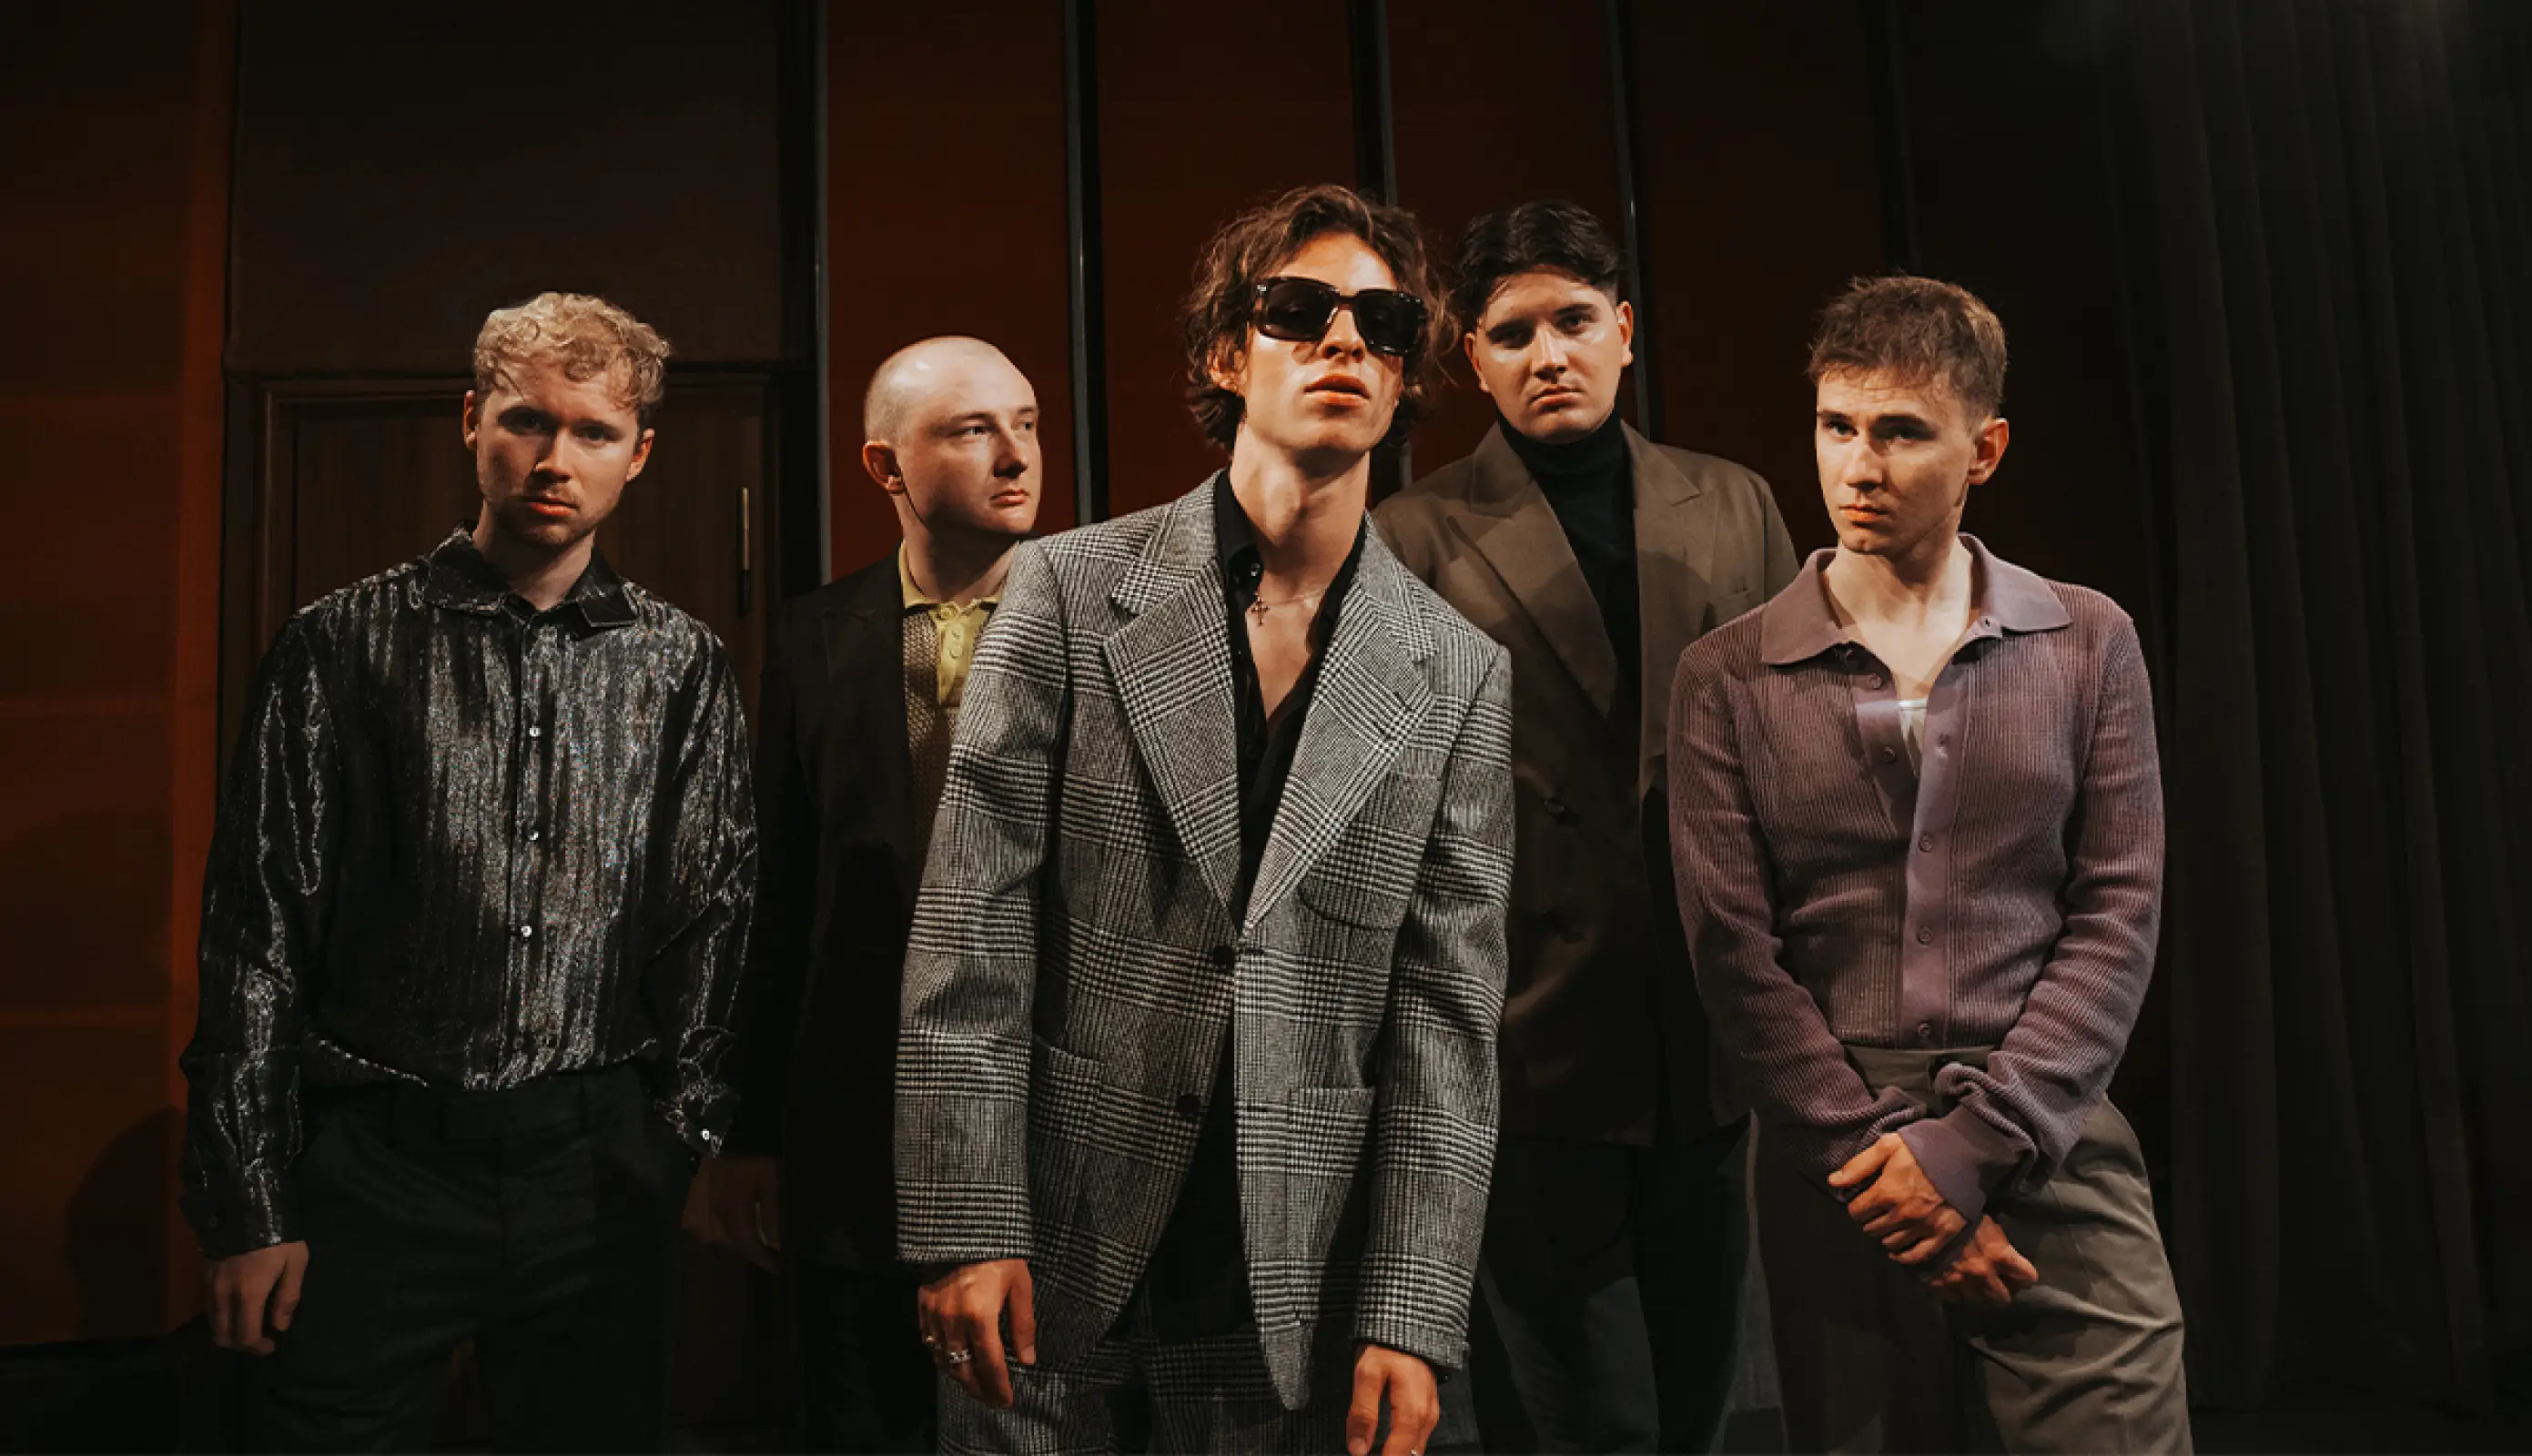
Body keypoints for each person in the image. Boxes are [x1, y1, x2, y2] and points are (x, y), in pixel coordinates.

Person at [894, 183, 1514, 1456]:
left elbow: (1445, 1020)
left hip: (1292, 1293)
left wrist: (1411, 1311)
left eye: (1383, 324)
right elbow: (971, 928)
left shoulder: (1456, 672)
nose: (1344, 341)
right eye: (1300, 309)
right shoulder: (1067, 590)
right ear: (1228, 353)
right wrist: (966, 1219)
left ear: (1407, 376)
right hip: (1055, 1258)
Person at [179, 291, 756, 1451]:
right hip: (376, 1159)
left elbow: (714, 912)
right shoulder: (340, 641)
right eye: (526, 420)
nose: (555, 458)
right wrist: (249, 1202)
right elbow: (257, 931)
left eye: (592, 431)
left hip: (594, 1165)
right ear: (471, 422)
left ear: (639, 454)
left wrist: (675, 1138)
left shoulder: (681, 663)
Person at [1667, 275, 2189, 1451]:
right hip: (1840, 1157)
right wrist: (1876, 1161)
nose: (1858, 465)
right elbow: (1731, 949)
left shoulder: (2085, 640)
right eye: (1835, 426)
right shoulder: (1728, 675)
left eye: (1900, 432)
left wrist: (1979, 1143)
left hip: (2045, 1121)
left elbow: (2117, 909)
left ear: (1982, 450)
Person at [1375, 198, 1797, 1453]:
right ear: (1471, 360)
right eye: (1512, 334)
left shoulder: (1732, 503)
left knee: (1700, 1400)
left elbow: (1800, 747)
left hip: (1705, 1024)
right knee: (1581, 1419)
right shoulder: (1412, 536)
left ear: (1624, 330)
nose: (1547, 354)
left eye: (1571, 321)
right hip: (1528, 1038)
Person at [700, 336, 1044, 1452]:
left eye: (1026, 424)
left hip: (1044, 1115)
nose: (1014, 455)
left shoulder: (1102, 620)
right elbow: (777, 891)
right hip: (856, 1122)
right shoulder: (815, 634)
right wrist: (747, 1128)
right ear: (885, 466)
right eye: (972, 430)